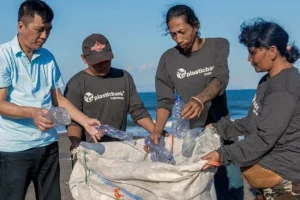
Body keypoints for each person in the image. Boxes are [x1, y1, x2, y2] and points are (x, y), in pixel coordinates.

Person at [0, 1, 102, 200]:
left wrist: (85, 121)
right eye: (39, 30)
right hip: (14, 150)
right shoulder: (3, 56)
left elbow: (58, 99)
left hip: (48, 145)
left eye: (48, 30)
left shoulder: (48, 57)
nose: (44, 36)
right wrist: (32, 112)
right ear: (21, 26)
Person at [151, 4, 244, 200]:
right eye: (173, 34)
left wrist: (199, 99)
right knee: (195, 193)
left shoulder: (218, 45)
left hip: (223, 132)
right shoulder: (168, 59)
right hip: (191, 138)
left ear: (196, 26)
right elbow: (164, 100)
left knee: (232, 188)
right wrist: (157, 130)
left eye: (182, 32)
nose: (178, 39)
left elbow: (220, 79)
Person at [202, 18, 300, 199]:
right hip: (266, 179)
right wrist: (219, 128)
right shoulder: (268, 80)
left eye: (252, 53)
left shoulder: (284, 89)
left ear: (272, 51)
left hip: (285, 183)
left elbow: (264, 138)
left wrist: (222, 155)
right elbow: (252, 122)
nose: (248, 59)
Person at [64, 33, 158, 166]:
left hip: (120, 152)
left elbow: (138, 111)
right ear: (84, 59)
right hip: (90, 152)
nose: (103, 65)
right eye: (97, 62)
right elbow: (73, 121)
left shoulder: (123, 77)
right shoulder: (76, 83)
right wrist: (76, 145)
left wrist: (156, 131)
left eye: (106, 60)